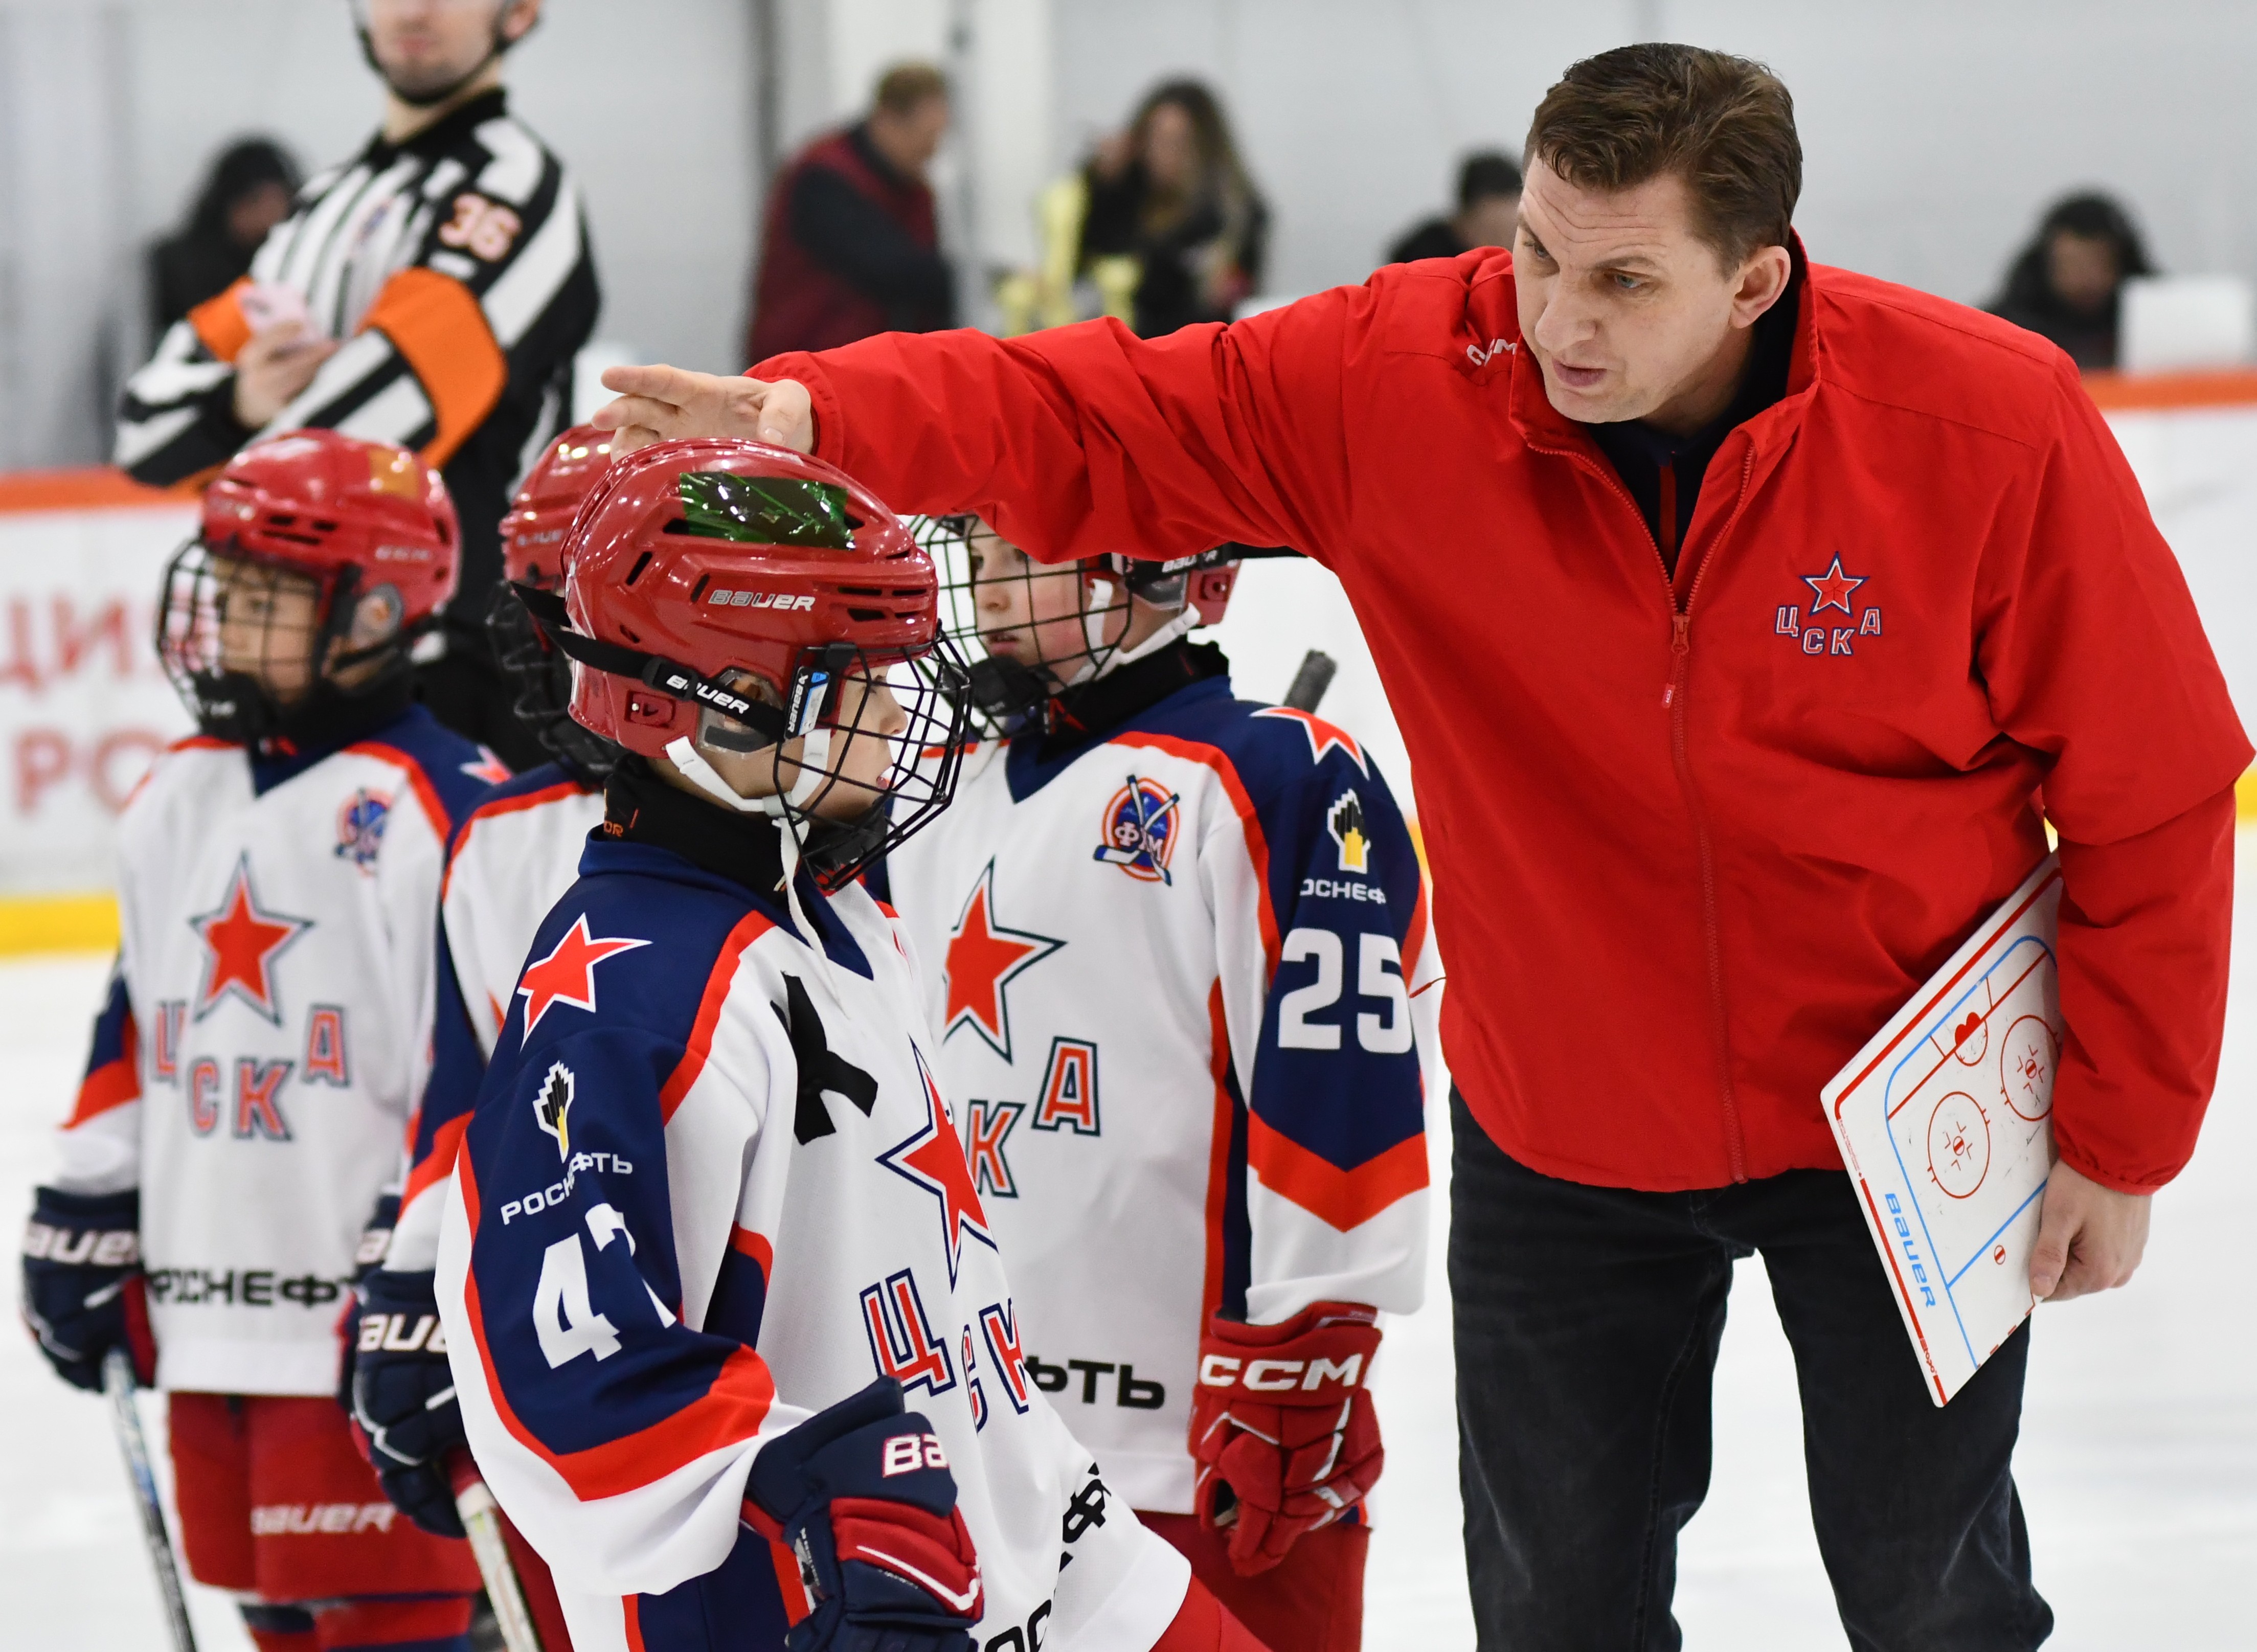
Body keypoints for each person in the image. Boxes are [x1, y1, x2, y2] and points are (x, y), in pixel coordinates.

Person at [590, 40, 2250, 1652]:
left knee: (1932, 1598)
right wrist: (825, 413)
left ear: (1754, 283)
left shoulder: (1984, 425)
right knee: (1555, 1615)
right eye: (1534, 253)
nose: (1552, 320)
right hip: (1565, 1125)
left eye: (1621, 283)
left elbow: (2152, 789)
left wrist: (2119, 1134)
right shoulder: (1404, 382)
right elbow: (1103, 412)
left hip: (1899, 1125)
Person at [431, 438, 1268, 1650]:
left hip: (1046, 1544)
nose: (898, 719)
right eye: (850, 683)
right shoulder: (636, 993)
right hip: (815, 1613)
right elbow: (557, 1378)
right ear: (703, 707)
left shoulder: (837, 902)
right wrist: (808, 1486)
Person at [873, 521, 1435, 1651]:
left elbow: (1341, 1090)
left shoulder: (1278, 774)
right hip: (979, 1446)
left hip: (1201, 1453)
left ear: (1154, 567)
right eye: (972, 543)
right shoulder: (942, 784)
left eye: (1016, 542)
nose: (978, 578)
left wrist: (1303, 1348)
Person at [20, 429, 496, 1652]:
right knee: (272, 1615)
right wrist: (87, 1199)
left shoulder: (447, 808)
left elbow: (471, 1087)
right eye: (224, 591)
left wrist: (421, 1285)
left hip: (354, 1339)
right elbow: (134, 1022)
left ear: (377, 609)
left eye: (266, 598)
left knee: (394, 1625)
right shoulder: (175, 791)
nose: (228, 625)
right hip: (207, 1321)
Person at [115, 0, 599, 773]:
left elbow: (379, 429)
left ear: (520, 12)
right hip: (299, 666)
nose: (416, 7)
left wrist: (235, 436)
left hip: (463, 667)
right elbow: (143, 427)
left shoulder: (518, 189)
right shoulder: (319, 207)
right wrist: (239, 402)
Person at [344, 426, 620, 1652]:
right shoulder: (503, 835)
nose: (540, 636)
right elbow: (465, 1107)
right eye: (538, 594)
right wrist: (411, 1290)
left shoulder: (852, 825)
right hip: (584, 1347)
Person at [743, 62, 955, 364]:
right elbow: (888, 269)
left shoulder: (913, 190)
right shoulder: (824, 178)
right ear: (887, 120)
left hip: (864, 370)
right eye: (927, 137)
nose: (932, 152)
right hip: (801, 366)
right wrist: (980, 281)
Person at [1080, 81, 1269, 335]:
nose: (1160, 153)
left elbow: (1218, 312)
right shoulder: (1129, 197)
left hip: (1193, 357)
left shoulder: (1233, 217)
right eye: (1152, 139)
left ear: (1203, 148)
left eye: (1176, 142)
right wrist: (1104, 183)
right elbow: (1086, 263)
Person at [1987, 191, 2155, 371]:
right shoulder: (2003, 330)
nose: (2087, 279)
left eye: (2099, 263)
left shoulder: (2156, 322)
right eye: (2071, 264)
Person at [148, 138, 302, 334]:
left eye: (280, 200)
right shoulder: (179, 267)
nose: (269, 214)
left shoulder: (290, 263)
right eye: (256, 200)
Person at [1386, 151, 1522, 266]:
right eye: (1494, 234)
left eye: (1513, 234)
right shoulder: (1423, 261)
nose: (1506, 248)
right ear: (1464, 221)